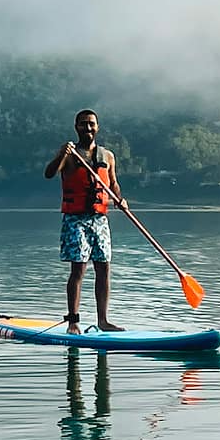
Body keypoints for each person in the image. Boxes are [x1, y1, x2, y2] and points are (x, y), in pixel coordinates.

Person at [44, 109, 128, 330]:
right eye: (83, 124)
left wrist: (120, 199)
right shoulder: (70, 155)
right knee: (78, 270)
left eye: (91, 124)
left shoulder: (107, 156)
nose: (88, 128)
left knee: (104, 268)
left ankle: (103, 320)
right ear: (76, 127)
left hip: (99, 219)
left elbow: (113, 183)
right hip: (75, 220)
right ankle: (73, 321)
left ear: (98, 127)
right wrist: (62, 153)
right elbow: (49, 173)